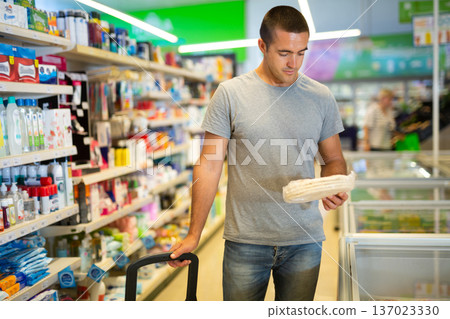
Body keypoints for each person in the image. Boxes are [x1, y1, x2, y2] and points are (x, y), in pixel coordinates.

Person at [168, 5, 348, 301]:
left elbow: (334, 159)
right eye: (284, 53)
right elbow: (209, 164)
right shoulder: (230, 94)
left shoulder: (321, 97)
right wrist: (193, 234)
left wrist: (334, 183)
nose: (294, 63)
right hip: (246, 241)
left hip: (305, 239)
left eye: (301, 52)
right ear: (262, 46)